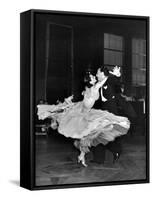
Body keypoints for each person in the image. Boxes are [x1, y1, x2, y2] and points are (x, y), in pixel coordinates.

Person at [37, 72, 130, 167]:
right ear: (90, 80)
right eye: (93, 77)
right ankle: (82, 155)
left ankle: (81, 156)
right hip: (82, 114)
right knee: (93, 131)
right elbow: (104, 81)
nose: (95, 77)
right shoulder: (94, 88)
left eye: (95, 75)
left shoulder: (89, 89)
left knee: (89, 134)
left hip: (84, 112)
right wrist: (113, 75)